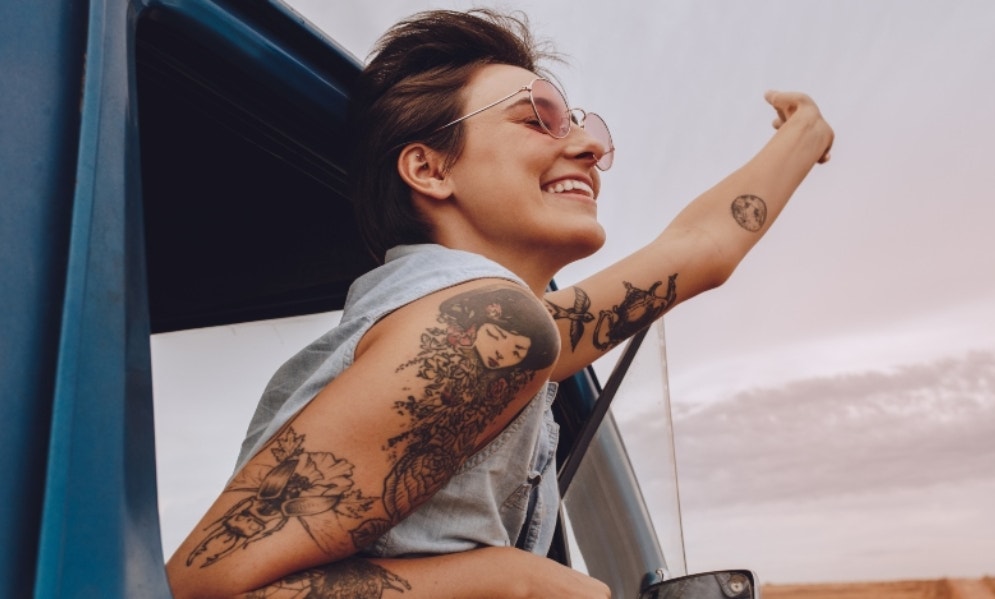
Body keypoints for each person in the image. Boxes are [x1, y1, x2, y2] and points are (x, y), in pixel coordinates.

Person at [165, 8, 832, 599]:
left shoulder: (506, 331)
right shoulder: (487, 324)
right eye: (536, 117)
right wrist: (512, 578)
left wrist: (802, 135)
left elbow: (699, 249)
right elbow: (201, 591)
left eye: (582, 123)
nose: (591, 146)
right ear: (430, 169)